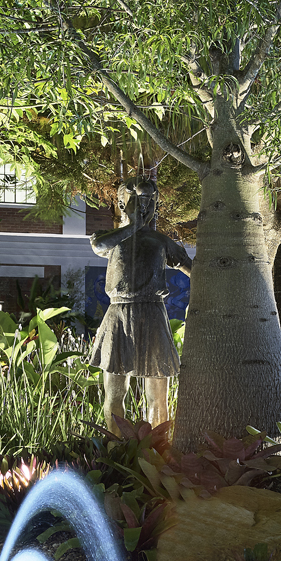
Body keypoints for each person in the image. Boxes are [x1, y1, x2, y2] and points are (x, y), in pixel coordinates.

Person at [88, 177, 193, 426]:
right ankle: (115, 450)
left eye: (149, 202)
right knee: (115, 393)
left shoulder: (161, 242)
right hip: (119, 316)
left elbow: (194, 271)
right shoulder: (109, 237)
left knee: (158, 397)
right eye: (137, 202)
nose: (144, 208)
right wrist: (133, 226)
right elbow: (99, 246)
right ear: (123, 204)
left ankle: (157, 450)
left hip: (153, 314)